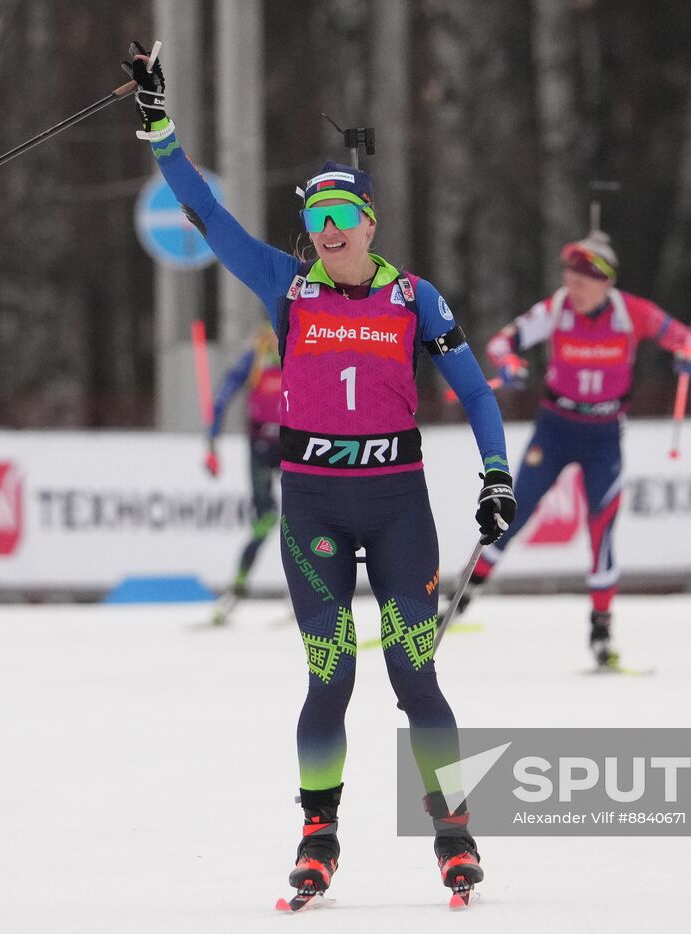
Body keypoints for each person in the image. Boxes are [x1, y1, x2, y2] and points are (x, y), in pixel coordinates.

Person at [120, 43, 516, 900]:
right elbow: (206, 216)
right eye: (319, 218)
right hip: (314, 510)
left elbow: (478, 393)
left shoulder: (415, 298)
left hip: (398, 505)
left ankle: (453, 829)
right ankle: (318, 833)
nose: (330, 230)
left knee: (416, 675)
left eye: (345, 215)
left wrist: (497, 476)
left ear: (371, 223)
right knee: (329, 674)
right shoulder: (287, 288)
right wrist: (160, 128)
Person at [455, 231, 691, 671]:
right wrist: (509, 364)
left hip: (603, 435)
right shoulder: (556, 309)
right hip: (555, 429)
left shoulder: (633, 313)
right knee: (511, 513)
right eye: (569, 274)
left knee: (602, 530)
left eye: (584, 278)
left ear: (605, 280)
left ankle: (601, 632)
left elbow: (687, 339)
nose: (574, 285)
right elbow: (500, 342)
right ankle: (459, 602)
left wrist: (688, 354)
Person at [203, 324, 283, 626]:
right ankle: (237, 587)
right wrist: (211, 441)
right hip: (261, 447)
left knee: (304, 520)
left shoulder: (302, 347)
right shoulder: (257, 354)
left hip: (296, 446)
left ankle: (312, 592)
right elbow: (224, 394)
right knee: (265, 520)